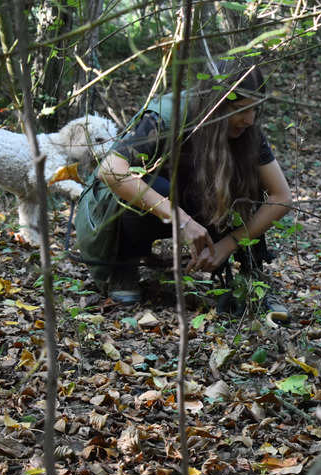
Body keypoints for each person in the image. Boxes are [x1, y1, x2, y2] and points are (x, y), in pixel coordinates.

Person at [75, 57, 292, 309]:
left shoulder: (247, 132)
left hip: (190, 198)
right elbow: (111, 171)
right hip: (126, 212)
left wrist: (229, 244)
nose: (250, 119)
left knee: (248, 183)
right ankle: (125, 265)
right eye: (242, 110)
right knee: (154, 186)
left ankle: (249, 279)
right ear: (217, 104)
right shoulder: (169, 114)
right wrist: (182, 220)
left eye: (255, 109)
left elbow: (281, 197)